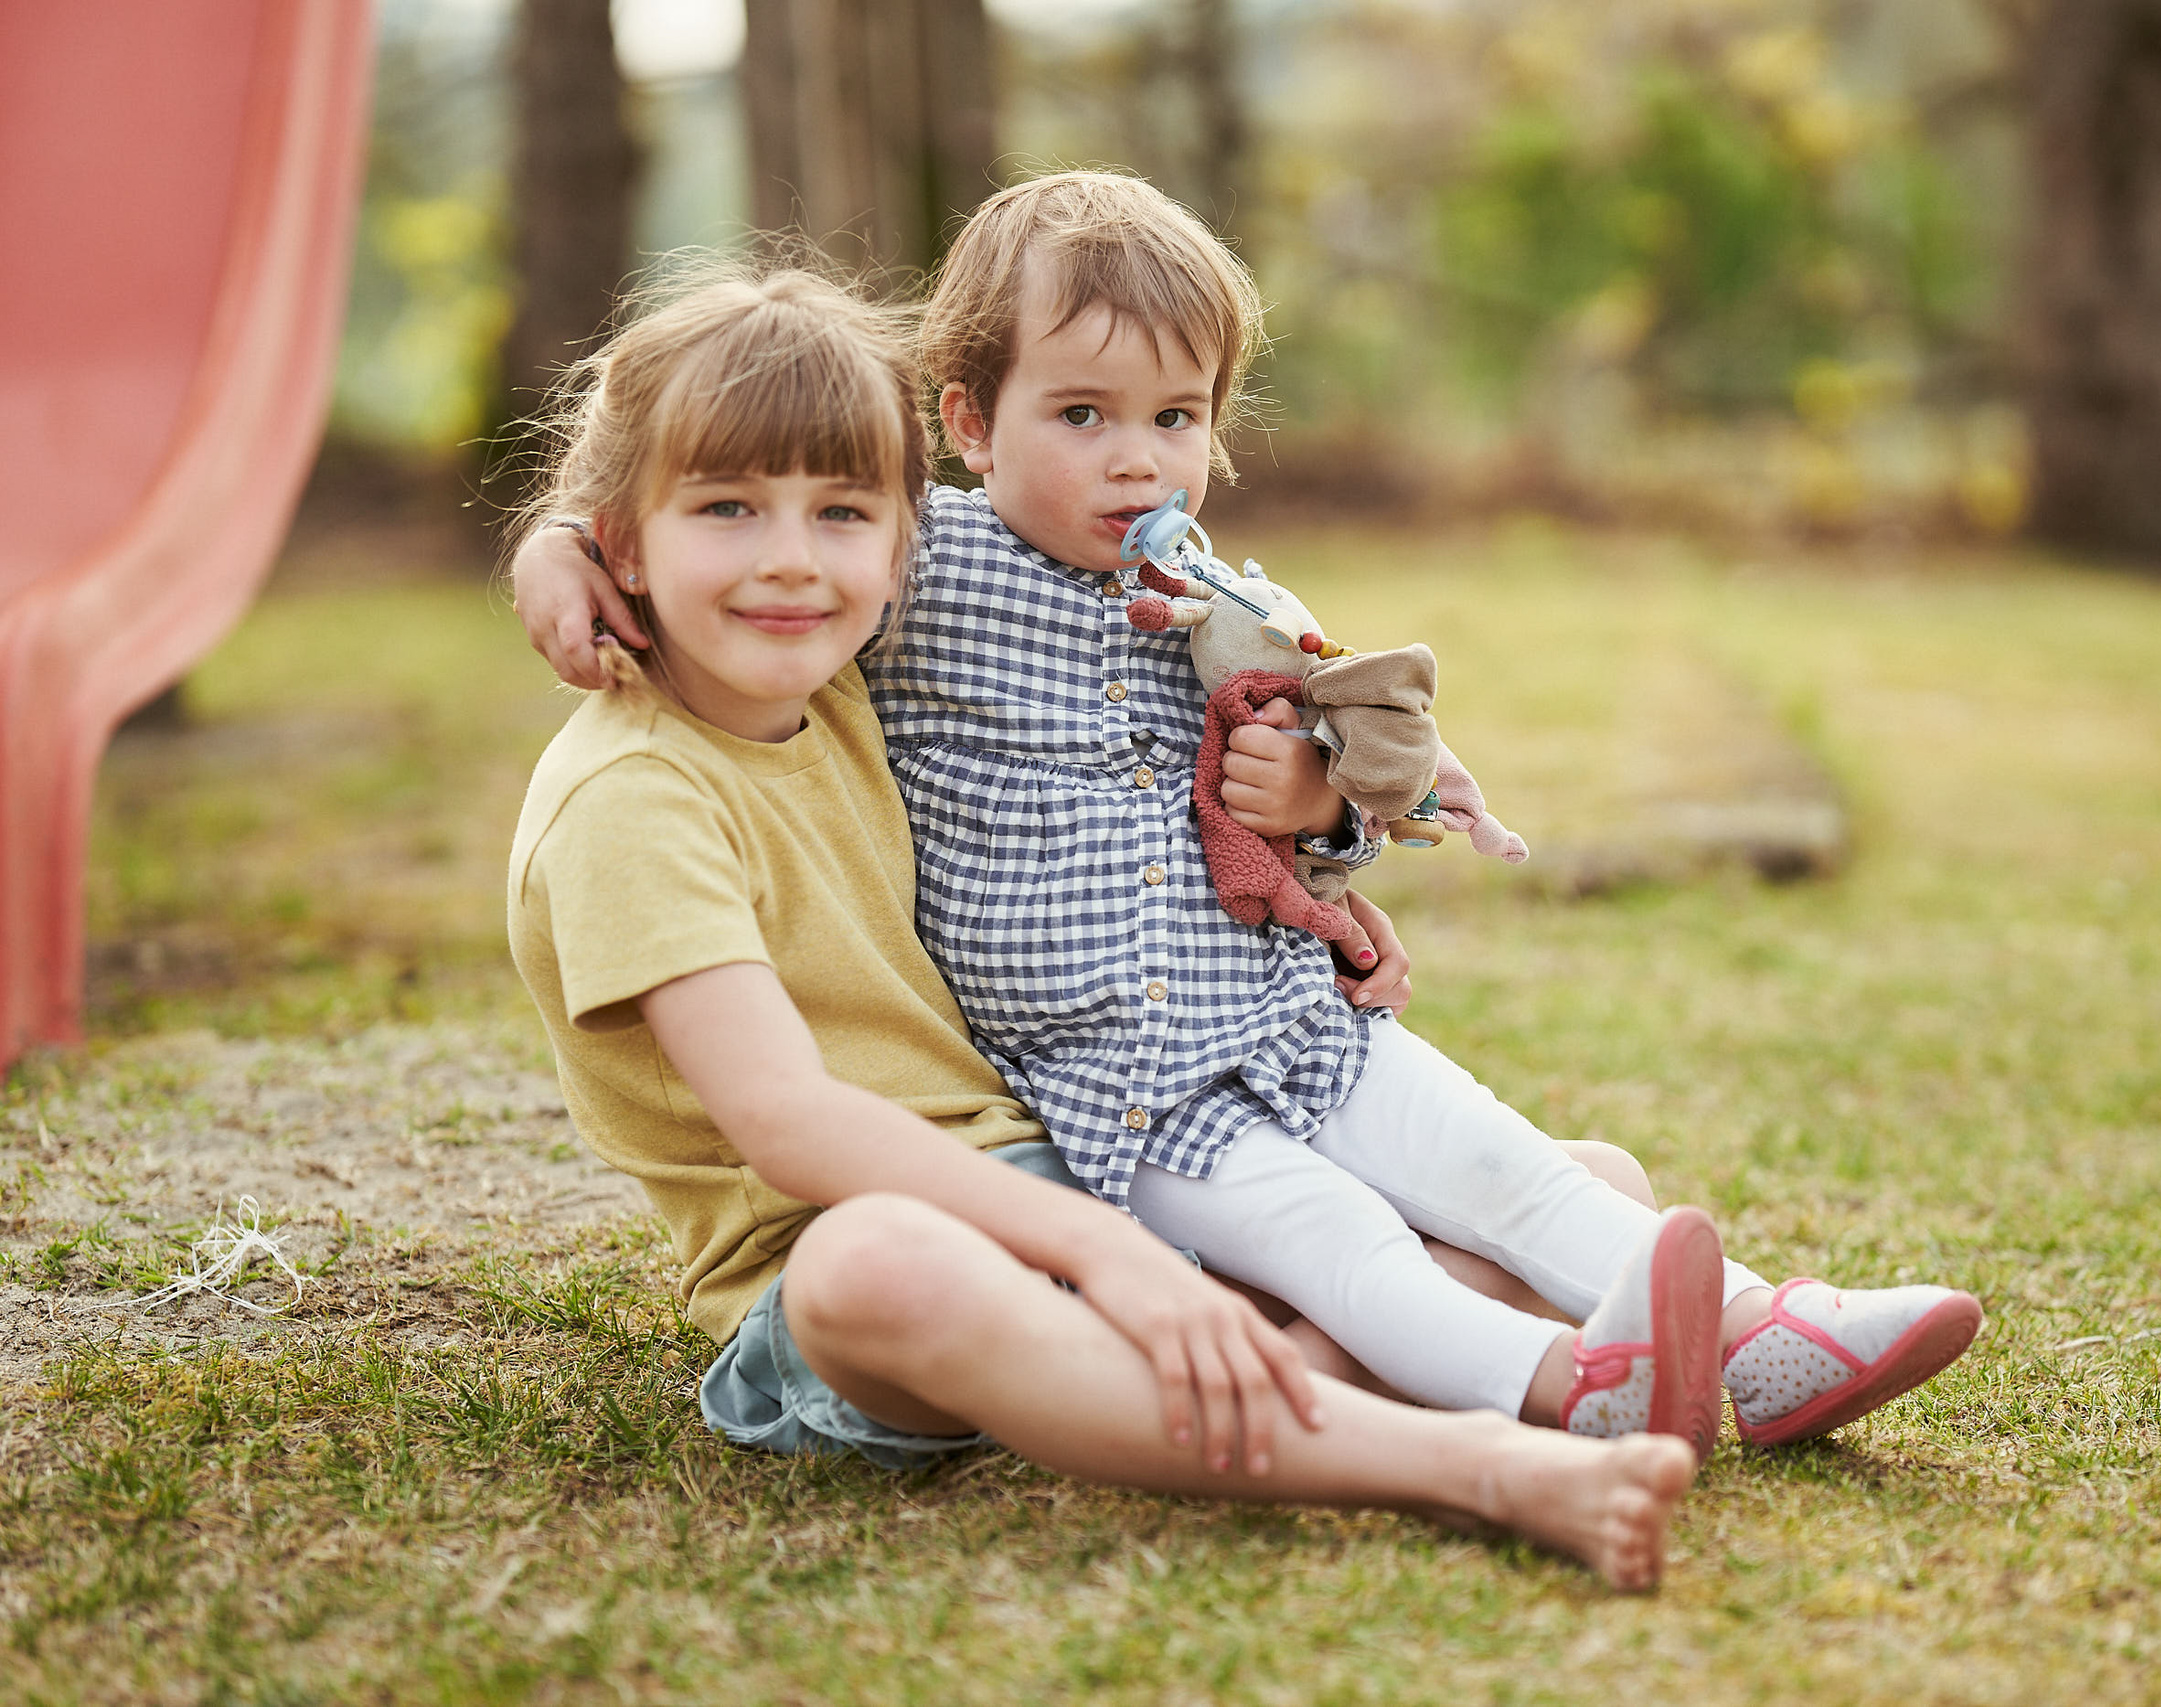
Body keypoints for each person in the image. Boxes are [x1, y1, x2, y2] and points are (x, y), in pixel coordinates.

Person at [511, 176, 1981, 1457]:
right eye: (1081, 416)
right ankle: (1558, 1386)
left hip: (1280, 1013)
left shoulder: (1224, 604)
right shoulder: (917, 569)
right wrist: (568, 550)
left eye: (1175, 419)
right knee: (1339, 1245)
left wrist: (1325, 805)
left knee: (1508, 1163)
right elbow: (752, 523)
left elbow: (1324, 795)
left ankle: (1771, 1339)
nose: (1135, 460)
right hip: (1122, 1088)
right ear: (965, 423)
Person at [503, 260, 1706, 1591]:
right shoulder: (631, 798)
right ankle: (1470, 1460)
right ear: (625, 542)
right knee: (871, 1265)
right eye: (727, 510)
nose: (791, 558)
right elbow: (789, 1126)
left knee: (1593, 1184)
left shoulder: (837, 672)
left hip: (1075, 1170)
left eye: (840, 513)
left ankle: (1273, 1386)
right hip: (871, 1253)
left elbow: (1126, 778)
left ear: (903, 542)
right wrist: (1097, 1253)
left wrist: (1323, 875)